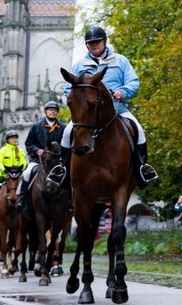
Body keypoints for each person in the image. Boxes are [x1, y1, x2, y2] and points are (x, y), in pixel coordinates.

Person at [65, 25, 157, 186]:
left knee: (139, 131)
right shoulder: (79, 65)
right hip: (88, 115)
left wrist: (123, 92)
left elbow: (134, 82)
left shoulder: (120, 61)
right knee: (66, 134)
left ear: (105, 42)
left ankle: (142, 169)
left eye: (97, 41)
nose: (94, 45)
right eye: (91, 43)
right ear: (87, 45)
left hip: (118, 110)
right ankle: (63, 170)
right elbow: (68, 89)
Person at [24, 100, 69, 212]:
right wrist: (37, 150)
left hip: (57, 162)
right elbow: (29, 143)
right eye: (50, 110)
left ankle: (71, 202)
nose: (53, 112)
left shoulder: (63, 127)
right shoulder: (36, 127)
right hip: (38, 160)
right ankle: (23, 199)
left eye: (55, 110)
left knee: (69, 175)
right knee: (27, 173)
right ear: (45, 111)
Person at [0, 130, 26, 216]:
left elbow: (24, 162)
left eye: (16, 138)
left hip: (17, 177)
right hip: (4, 175)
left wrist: (20, 169)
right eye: (12, 138)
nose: (15, 140)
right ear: (8, 140)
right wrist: (5, 170)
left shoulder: (20, 151)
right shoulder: (3, 150)